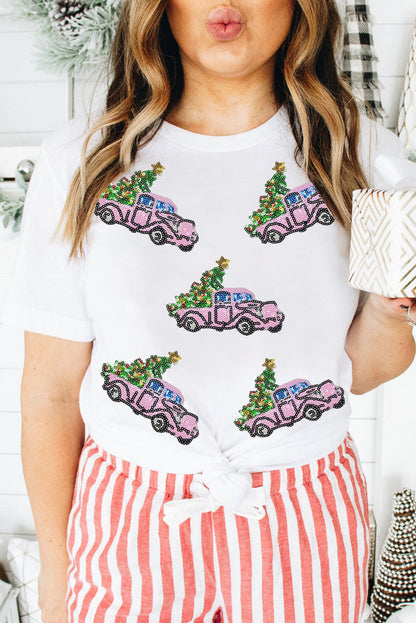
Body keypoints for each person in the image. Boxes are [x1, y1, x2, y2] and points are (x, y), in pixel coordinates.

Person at [2, 0, 415, 622]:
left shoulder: (358, 153)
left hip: (305, 515)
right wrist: (58, 575)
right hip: (129, 518)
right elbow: (51, 393)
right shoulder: (84, 158)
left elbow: (360, 371)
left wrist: (387, 312)